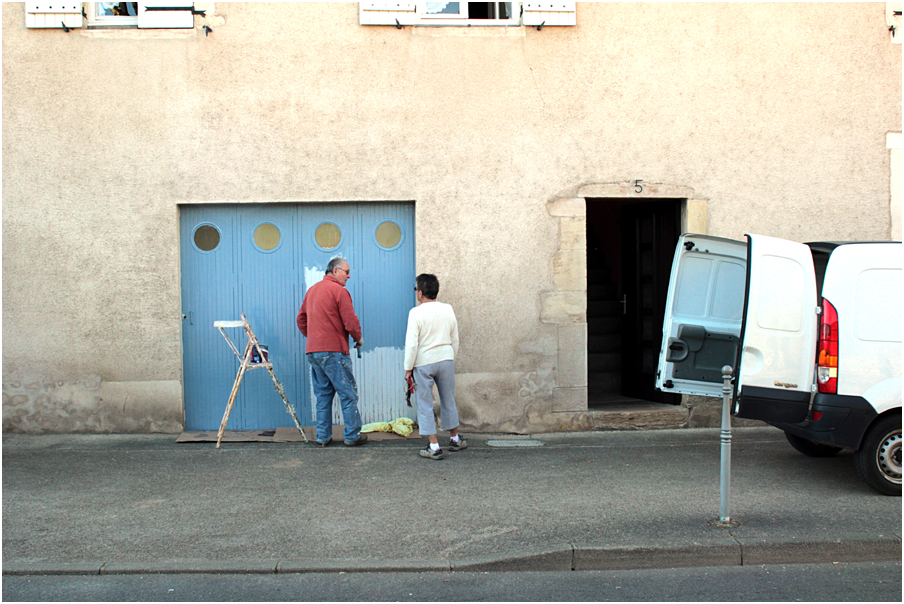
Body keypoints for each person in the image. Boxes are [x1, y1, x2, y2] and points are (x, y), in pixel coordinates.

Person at [296, 257, 367, 447]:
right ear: (335, 271)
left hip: (314, 351)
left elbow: (301, 319)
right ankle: (352, 436)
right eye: (346, 271)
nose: (349, 276)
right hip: (334, 351)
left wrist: (314, 337)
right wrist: (358, 338)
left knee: (323, 395)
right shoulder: (339, 291)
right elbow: (350, 321)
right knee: (348, 394)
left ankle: (323, 437)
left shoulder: (312, 291)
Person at [404, 273, 465, 460]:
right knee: (448, 399)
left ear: (420, 293)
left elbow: (412, 344)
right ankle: (455, 439)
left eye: (416, 290)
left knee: (425, 403)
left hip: (424, 363)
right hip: (445, 359)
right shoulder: (448, 309)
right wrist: (449, 356)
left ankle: (434, 445)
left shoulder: (415, 313)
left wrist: (408, 368)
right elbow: (455, 338)